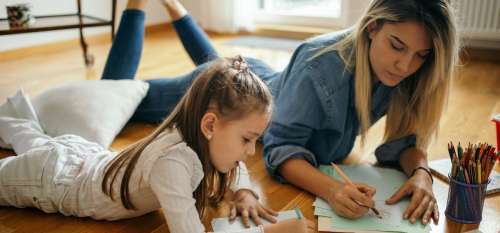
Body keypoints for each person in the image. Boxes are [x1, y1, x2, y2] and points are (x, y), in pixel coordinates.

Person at [103, 0, 459, 226]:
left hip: (256, 78)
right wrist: (333, 191)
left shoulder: (409, 71)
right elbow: (280, 148)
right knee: (115, 91)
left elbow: (406, 143)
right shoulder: (318, 64)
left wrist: (423, 174)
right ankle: (137, 4)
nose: (405, 64)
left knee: (217, 63)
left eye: (420, 55)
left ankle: (175, 7)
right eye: (396, 46)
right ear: (371, 29)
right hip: (235, 97)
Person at [0, 1, 316, 233]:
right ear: (209, 124)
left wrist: (244, 192)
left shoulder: (198, 133)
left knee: (37, 141)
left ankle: (12, 121)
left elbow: (236, 168)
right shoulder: (173, 164)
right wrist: (270, 231)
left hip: (80, 155)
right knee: (34, 154)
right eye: (248, 139)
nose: (250, 152)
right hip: (54, 182)